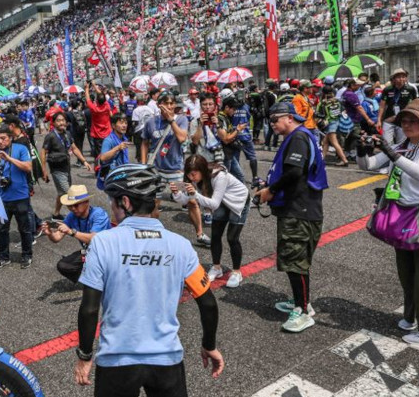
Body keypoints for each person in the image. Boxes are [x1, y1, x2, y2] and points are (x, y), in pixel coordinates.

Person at [75, 164, 224, 397]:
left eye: (113, 202)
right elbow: (207, 301)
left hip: (117, 360)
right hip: (166, 359)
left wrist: (84, 355)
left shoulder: (104, 244)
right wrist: (209, 344)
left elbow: (89, 308)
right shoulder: (180, 245)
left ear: (125, 201)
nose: (111, 208)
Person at [356, 99, 419, 346]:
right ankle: (410, 317)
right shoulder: (404, 145)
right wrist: (361, 148)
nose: (407, 125)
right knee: (408, 273)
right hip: (403, 215)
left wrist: (390, 152)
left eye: (414, 121)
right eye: (404, 121)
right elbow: (368, 165)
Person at [256, 103, 329, 333]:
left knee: (296, 262)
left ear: (289, 117)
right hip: (299, 209)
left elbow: (295, 172)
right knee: (293, 259)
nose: (273, 125)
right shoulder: (300, 135)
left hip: (300, 210)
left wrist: (271, 190)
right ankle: (300, 301)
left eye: (275, 120)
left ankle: (303, 309)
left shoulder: (298, 138)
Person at [172, 154, 249, 287]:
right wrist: (176, 193)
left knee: (232, 238)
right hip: (221, 202)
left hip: (238, 201)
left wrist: (195, 195)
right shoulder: (195, 178)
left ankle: (236, 272)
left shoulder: (219, 176)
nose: (191, 178)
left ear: (202, 170)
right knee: (215, 236)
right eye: (189, 174)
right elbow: (184, 200)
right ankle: (217, 268)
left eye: (194, 174)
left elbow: (213, 204)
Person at [40, 185, 110, 283]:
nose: (72, 208)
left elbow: (94, 239)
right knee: (63, 265)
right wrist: (50, 233)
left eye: (76, 205)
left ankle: (100, 278)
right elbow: (57, 238)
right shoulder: (71, 216)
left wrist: (71, 232)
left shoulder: (98, 214)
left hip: (106, 254)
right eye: (69, 205)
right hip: (88, 252)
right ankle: (89, 280)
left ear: (86, 202)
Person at [0, 124, 35, 269]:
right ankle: (3, 257)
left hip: (20, 196)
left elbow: (28, 167)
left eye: (3, 138)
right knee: (2, 230)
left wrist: (9, 159)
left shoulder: (20, 149)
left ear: (10, 138)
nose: (0, 142)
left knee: (24, 228)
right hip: (2, 198)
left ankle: (27, 255)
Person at [43, 111, 92, 217]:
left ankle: (56, 213)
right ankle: (78, 216)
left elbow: (74, 148)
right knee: (69, 194)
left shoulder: (67, 134)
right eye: (58, 120)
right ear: (54, 123)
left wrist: (84, 161)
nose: (61, 123)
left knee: (62, 193)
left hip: (66, 168)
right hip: (56, 170)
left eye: (63, 120)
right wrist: (44, 171)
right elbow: (43, 153)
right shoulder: (50, 136)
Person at [141, 92, 189, 196]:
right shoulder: (151, 122)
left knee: (184, 197)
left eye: (172, 103)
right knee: (155, 200)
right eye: (166, 103)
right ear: (159, 105)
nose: (169, 106)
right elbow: (144, 143)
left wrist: (171, 120)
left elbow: (182, 138)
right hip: (157, 169)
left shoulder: (181, 119)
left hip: (176, 169)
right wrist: (144, 164)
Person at [379, 68, 419, 146]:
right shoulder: (387, 89)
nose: (401, 79)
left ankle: (399, 157)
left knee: (401, 143)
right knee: (386, 143)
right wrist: (379, 121)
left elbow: (416, 103)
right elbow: (382, 106)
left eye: (403, 77)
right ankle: (388, 157)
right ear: (393, 79)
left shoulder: (411, 89)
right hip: (388, 119)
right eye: (398, 77)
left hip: (403, 119)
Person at [316, 86, 349, 166]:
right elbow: (342, 110)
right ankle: (321, 159)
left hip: (330, 123)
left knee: (334, 143)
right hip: (337, 122)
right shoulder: (337, 100)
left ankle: (344, 160)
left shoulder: (323, 103)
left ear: (323, 93)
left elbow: (318, 113)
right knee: (325, 142)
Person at [97, 113, 132, 186]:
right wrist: (117, 148)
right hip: (113, 177)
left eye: (126, 123)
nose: (124, 125)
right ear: (113, 126)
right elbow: (103, 157)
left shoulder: (123, 138)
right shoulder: (108, 140)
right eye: (121, 123)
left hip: (123, 174)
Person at [86, 82, 115, 158]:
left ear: (97, 101)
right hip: (108, 133)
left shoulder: (94, 108)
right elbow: (100, 95)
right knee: (108, 151)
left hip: (97, 135)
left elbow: (88, 99)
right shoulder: (107, 106)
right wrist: (94, 85)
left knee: (99, 155)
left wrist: (86, 88)